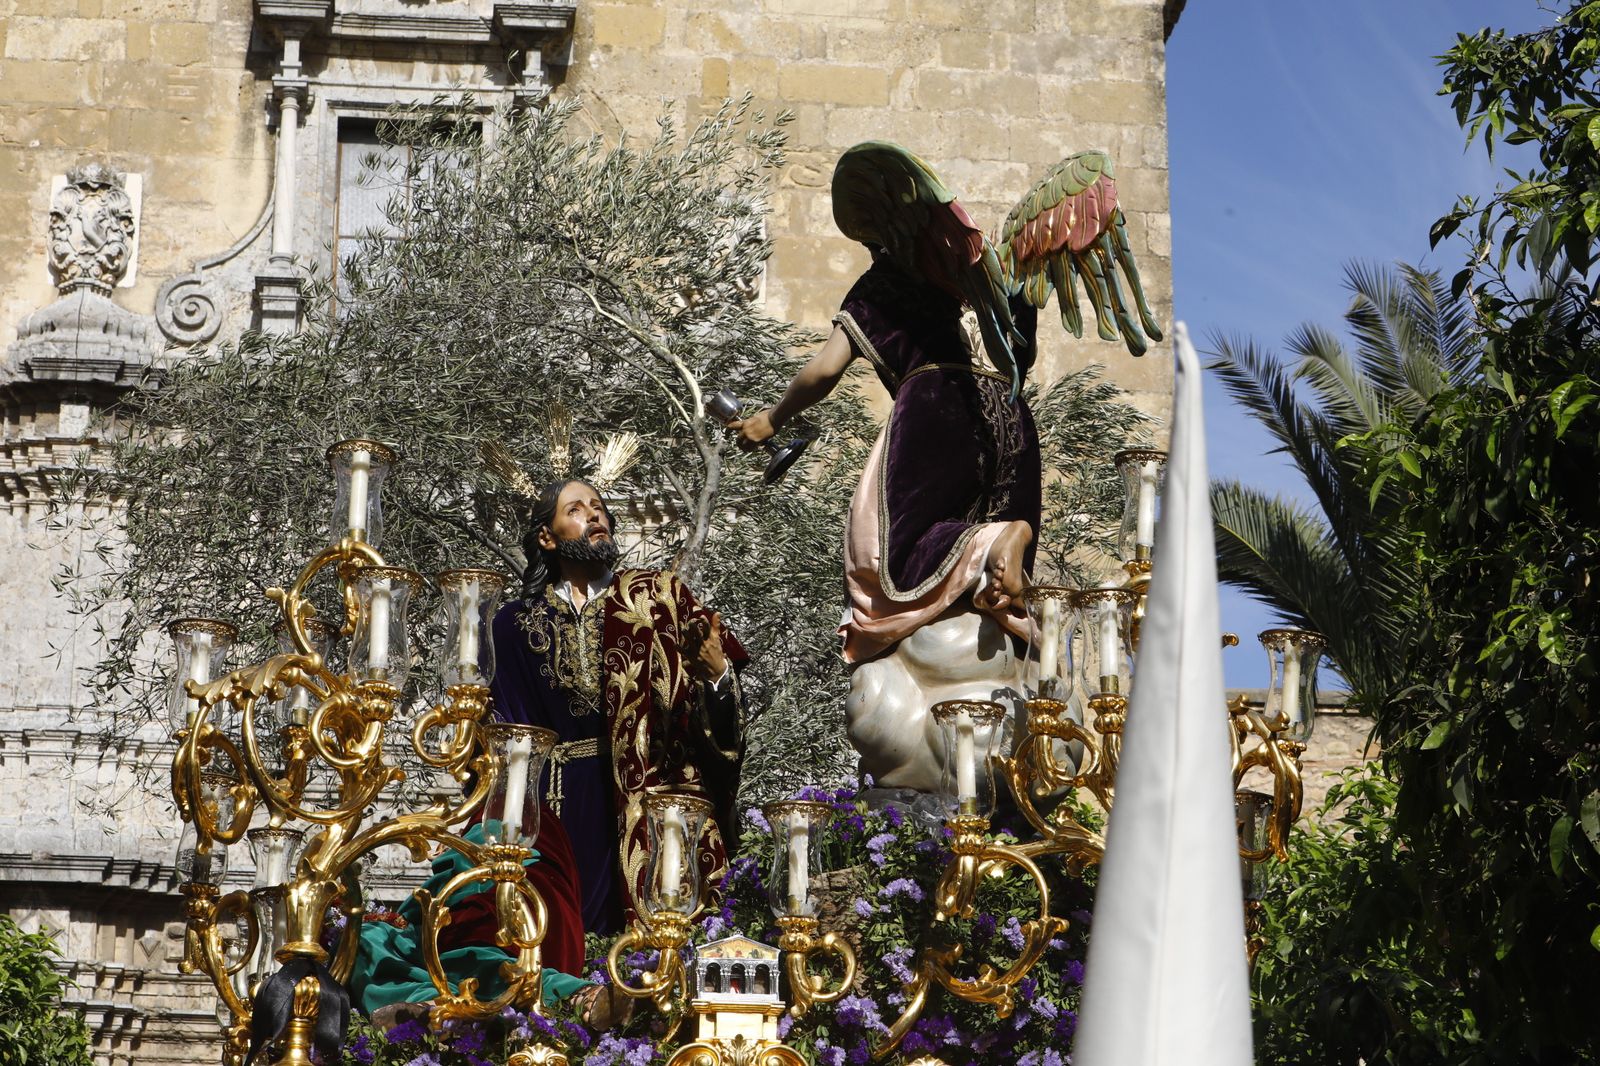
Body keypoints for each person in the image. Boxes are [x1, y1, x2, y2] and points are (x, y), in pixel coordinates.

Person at [733, 247, 1041, 664]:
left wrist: (773, 417)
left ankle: (995, 539)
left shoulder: (890, 278)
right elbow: (1026, 357)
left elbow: (825, 368)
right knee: (998, 592)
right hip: (1014, 421)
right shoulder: (998, 280)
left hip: (938, 407)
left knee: (894, 556)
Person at [489, 478, 746, 935]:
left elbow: (714, 720)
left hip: (651, 801)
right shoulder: (514, 624)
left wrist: (717, 675)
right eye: (575, 509)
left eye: (599, 507)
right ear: (546, 538)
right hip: (560, 805)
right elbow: (508, 737)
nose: (594, 515)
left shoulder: (663, 598)